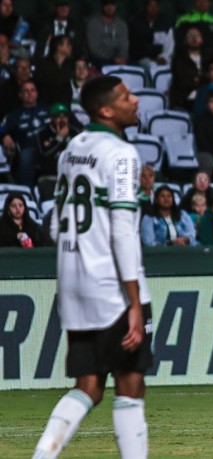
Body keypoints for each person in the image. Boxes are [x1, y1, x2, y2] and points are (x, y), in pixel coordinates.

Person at [32, 75, 151, 458]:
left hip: (73, 282)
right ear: (105, 110)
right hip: (112, 286)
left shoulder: (71, 150)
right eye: (125, 96)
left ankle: (42, 455)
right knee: (130, 385)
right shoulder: (121, 155)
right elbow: (121, 231)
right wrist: (134, 302)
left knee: (88, 385)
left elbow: (53, 224)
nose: (134, 100)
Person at [1, 80, 50, 187]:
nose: (30, 93)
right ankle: (26, 190)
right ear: (20, 95)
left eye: (32, 90)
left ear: (37, 93)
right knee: (26, 155)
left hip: (51, 146)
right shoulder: (14, 115)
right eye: (26, 91)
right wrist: (4, 136)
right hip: (28, 148)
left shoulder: (48, 109)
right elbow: (2, 129)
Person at [36, 103, 80, 179]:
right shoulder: (42, 133)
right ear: (52, 118)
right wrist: (59, 138)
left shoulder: (74, 132)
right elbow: (44, 154)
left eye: (64, 116)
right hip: (50, 172)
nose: (62, 119)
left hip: (71, 171)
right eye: (58, 116)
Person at [129, 0, 174, 72]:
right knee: (153, 67)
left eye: (156, 5)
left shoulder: (165, 22)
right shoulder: (136, 22)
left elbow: (170, 44)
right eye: (151, 5)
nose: (153, 8)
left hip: (163, 58)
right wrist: (154, 59)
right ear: (146, 7)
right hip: (143, 58)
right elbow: (136, 47)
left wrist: (164, 57)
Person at [169, 27, 207, 111]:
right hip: (183, 101)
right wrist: (202, 80)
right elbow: (183, 81)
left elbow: (211, 78)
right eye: (190, 36)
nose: (194, 38)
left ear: (202, 39)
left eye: (196, 36)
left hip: (204, 99)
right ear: (185, 40)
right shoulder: (179, 59)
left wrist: (198, 79)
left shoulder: (207, 58)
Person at [86, 0, 129, 68]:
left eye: (112, 4)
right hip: (99, 59)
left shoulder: (122, 25)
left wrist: (122, 57)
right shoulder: (93, 23)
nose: (109, 7)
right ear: (102, 6)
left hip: (119, 60)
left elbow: (123, 45)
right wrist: (112, 59)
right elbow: (94, 48)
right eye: (106, 4)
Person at [33, 35, 74, 106]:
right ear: (59, 46)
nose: (71, 47)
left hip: (66, 105)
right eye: (68, 44)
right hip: (46, 104)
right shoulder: (44, 64)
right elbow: (38, 84)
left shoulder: (72, 65)